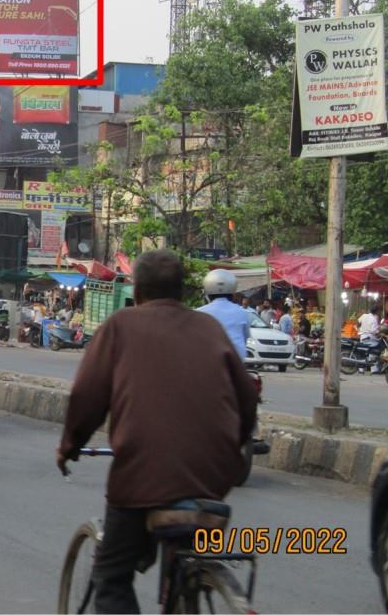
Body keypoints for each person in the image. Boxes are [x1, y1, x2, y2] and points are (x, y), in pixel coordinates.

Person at [55, 250, 258, 614]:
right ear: (184, 292)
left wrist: (69, 446)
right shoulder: (210, 329)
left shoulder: (120, 326)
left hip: (142, 478)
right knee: (188, 547)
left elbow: (87, 397)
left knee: (112, 576)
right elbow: (247, 402)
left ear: (138, 290)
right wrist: (230, 453)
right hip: (213, 480)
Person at [196, 269, 250, 361]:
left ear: (207, 293)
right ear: (233, 293)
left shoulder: (199, 312)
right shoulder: (242, 312)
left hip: (208, 362)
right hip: (236, 363)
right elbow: (245, 337)